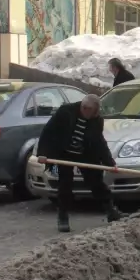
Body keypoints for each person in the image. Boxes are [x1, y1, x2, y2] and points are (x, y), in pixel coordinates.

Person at [36, 93, 122, 233]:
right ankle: (63, 217)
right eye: (95, 112)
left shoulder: (96, 120)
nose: (97, 115)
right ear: (85, 108)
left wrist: (109, 163)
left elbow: (99, 142)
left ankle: (111, 211)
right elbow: (48, 132)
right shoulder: (65, 112)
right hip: (64, 154)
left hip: (85, 154)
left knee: (96, 182)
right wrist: (43, 154)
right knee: (65, 185)